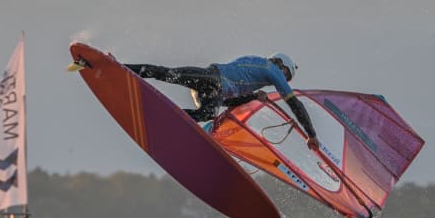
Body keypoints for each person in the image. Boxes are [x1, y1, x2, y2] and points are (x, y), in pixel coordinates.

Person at [123, 53, 319, 148]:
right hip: (215, 84)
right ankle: (159, 114)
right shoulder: (273, 70)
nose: (283, 81)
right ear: (282, 67)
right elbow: (295, 104)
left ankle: (122, 67)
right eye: (286, 77)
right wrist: (311, 135)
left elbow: (226, 95)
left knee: (167, 74)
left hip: (208, 79)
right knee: (206, 114)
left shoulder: (254, 62)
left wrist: (251, 97)